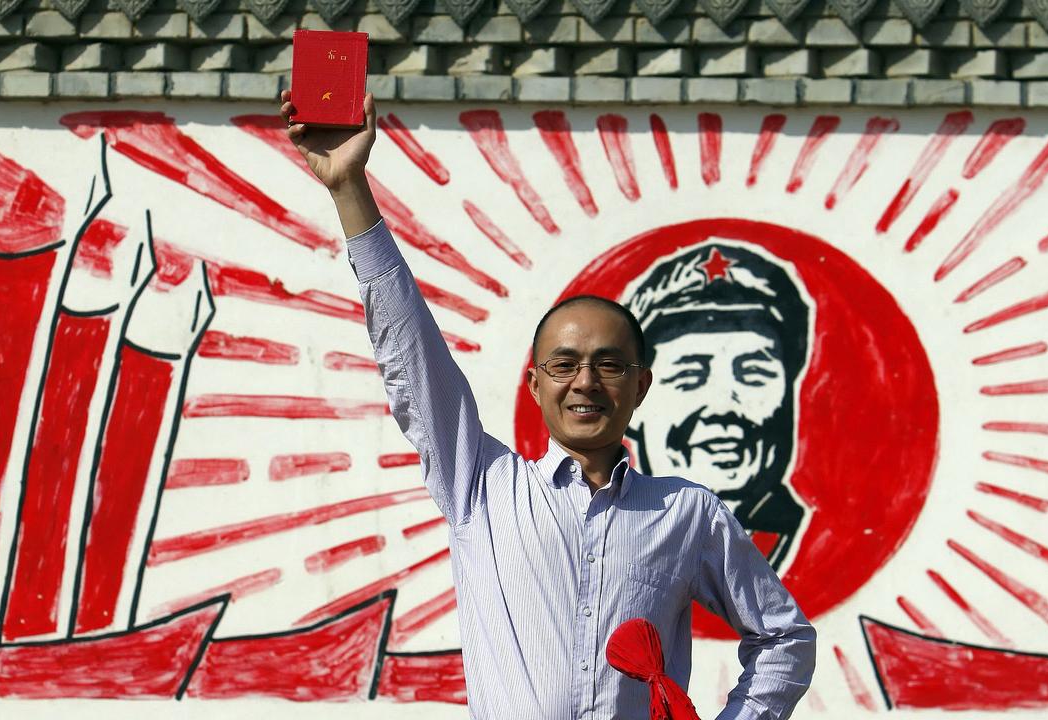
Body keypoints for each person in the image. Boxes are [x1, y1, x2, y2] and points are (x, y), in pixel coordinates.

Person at [279, 90, 815, 720]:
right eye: (564, 365)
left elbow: (785, 638)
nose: (585, 382)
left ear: (641, 387)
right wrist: (349, 190)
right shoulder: (481, 487)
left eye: (609, 366)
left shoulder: (687, 514)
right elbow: (411, 354)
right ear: (535, 384)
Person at [623, 244, 813, 571]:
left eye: (754, 373)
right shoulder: (602, 545)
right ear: (632, 402)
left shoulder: (835, 549)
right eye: (689, 376)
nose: (723, 404)